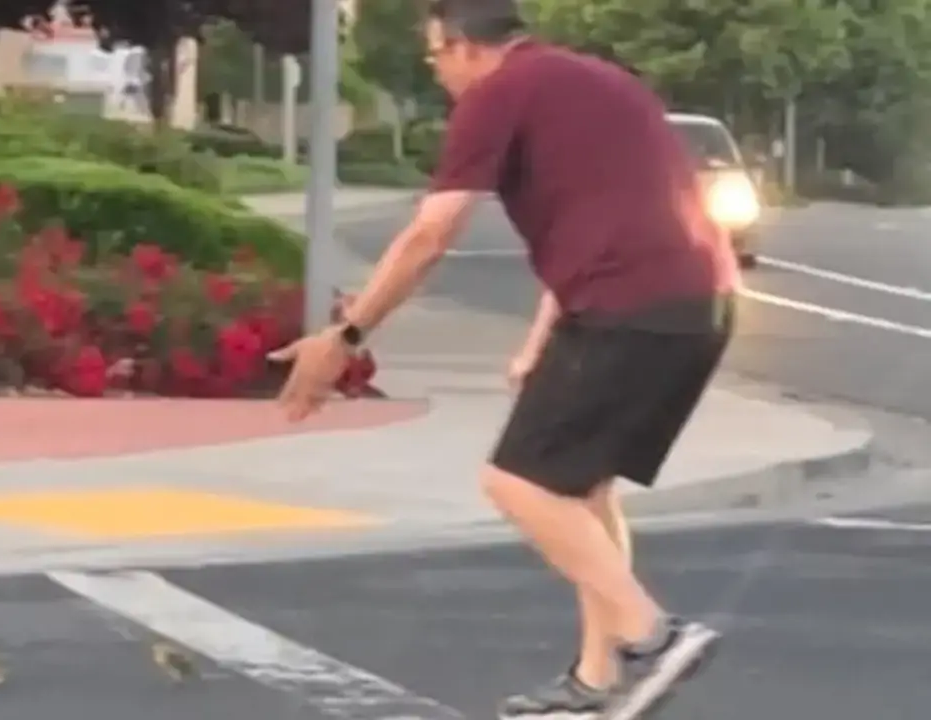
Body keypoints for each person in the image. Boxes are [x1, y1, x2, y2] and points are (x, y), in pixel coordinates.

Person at [267, 0, 737, 718]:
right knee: (579, 488)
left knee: (518, 482)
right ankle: (596, 679)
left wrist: (347, 335)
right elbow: (606, 213)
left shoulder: (498, 93)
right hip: (694, 304)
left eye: (433, 57)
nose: (437, 73)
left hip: (630, 306)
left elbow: (431, 233)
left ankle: (653, 638)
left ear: (461, 46)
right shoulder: (597, 81)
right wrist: (540, 338)